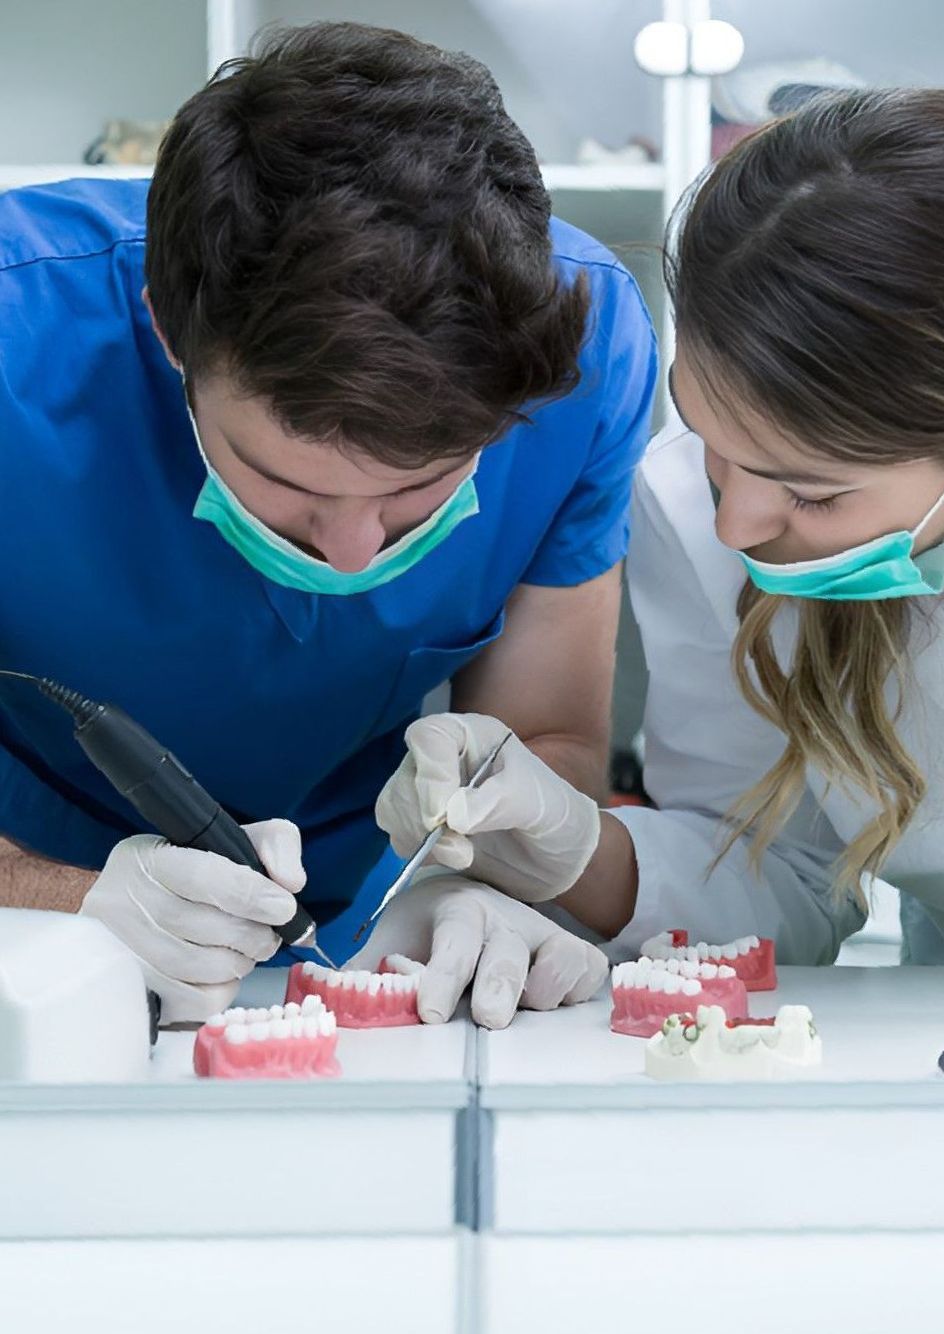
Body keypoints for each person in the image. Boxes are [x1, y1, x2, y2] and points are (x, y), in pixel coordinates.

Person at [0, 23, 655, 1023]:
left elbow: (546, 739)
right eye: (286, 481)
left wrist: (476, 881)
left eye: (418, 488)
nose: (356, 552)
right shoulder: (18, 331)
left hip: (361, 942)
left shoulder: (582, 350)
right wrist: (67, 903)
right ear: (167, 330)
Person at [377, 87, 944, 998]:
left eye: (809, 492)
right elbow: (780, 877)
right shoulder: (691, 503)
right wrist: (570, 848)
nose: (733, 524)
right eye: (709, 437)